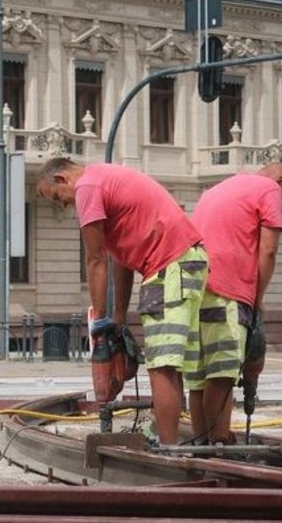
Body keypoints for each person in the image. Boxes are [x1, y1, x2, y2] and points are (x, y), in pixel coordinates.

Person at [36, 158, 208, 445]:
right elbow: (122, 261)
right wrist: (117, 318)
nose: (63, 205)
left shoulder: (87, 187)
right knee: (172, 365)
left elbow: (95, 259)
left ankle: (168, 448)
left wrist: (99, 320)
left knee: (162, 366)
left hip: (169, 268)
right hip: (186, 262)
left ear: (61, 179)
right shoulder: (105, 179)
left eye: (57, 197)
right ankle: (177, 441)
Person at [186, 163, 282, 445]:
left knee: (199, 379)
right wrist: (257, 301)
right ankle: (220, 444)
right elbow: (268, 250)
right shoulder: (269, 188)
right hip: (228, 290)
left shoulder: (217, 189)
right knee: (222, 374)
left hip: (193, 287)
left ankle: (202, 447)